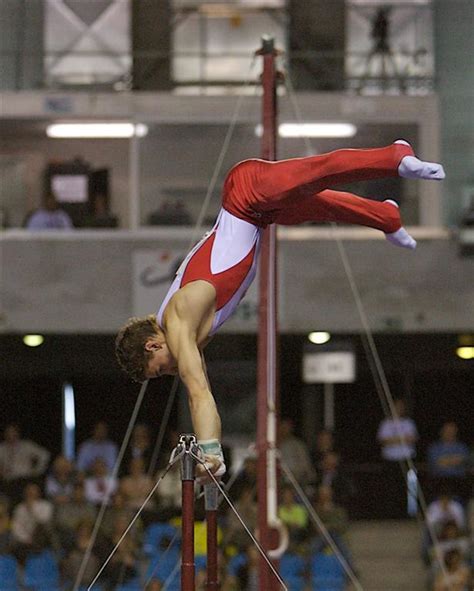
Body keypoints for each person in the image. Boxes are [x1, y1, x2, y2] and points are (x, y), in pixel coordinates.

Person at [116, 142, 445, 477]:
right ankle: (386, 217)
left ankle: (395, 156)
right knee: (322, 206)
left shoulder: (179, 322)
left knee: (319, 172)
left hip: (247, 191)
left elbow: (197, 392)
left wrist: (212, 451)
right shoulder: (179, 330)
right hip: (258, 214)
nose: (167, 373)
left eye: (157, 370)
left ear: (152, 345)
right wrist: (211, 453)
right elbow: (204, 393)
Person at [0, 424, 50, 502]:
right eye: (9, 433)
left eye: (13, 433)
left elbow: (44, 455)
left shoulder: (26, 446)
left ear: (17, 433)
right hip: (9, 481)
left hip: (26, 479)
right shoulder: (2, 448)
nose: (11, 435)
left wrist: (37, 470)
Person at [427, 421, 470, 501]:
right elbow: (437, 462)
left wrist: (445, 460)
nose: (449, 433)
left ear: (456, 432)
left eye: (452, 430)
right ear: (441, 431)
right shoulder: (434, 447)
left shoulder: (462, 447)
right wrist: (454, 460)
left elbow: (463, 460)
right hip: (439, 480)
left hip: (458, 480)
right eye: (447, 430)